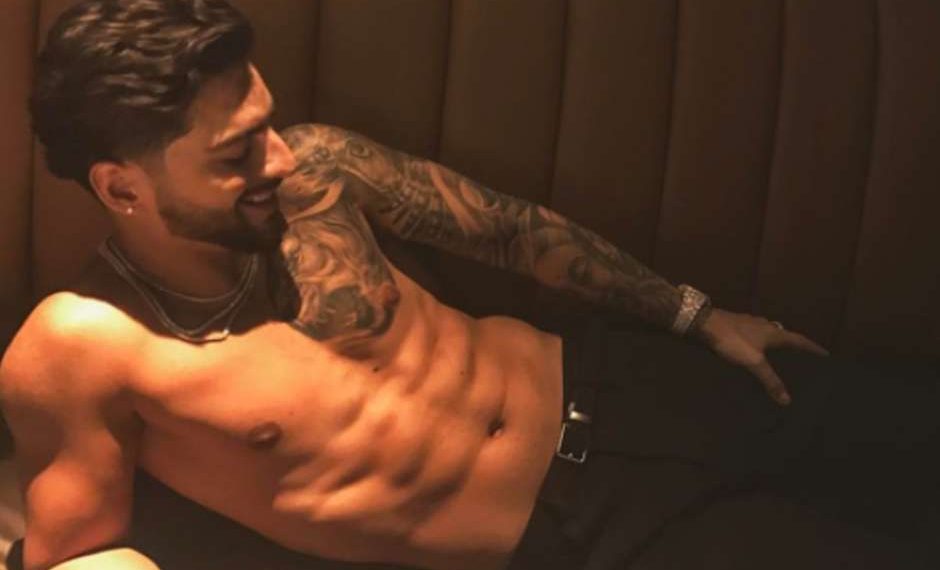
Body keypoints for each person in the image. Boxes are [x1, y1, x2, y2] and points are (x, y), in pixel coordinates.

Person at [0, 1, 936, 569]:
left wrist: (697, 315)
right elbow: (77, 549)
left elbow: (511, 232)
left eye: (268, 123)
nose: (279, 157)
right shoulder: (85, 345)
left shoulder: (316, 172)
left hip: (638, 386)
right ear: (121, 188)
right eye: (236, 152)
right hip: (579, 537)